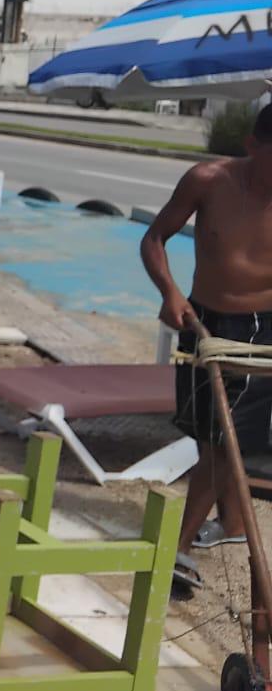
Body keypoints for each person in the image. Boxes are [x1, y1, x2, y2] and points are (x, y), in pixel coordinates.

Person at [141, 105, 272, 581]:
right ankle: (233, 523)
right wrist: (170, 292)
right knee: (205, 431)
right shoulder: (208, 180)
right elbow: (155, 239)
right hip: (202, 318)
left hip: (262, 329)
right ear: (252, 146)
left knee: (223, 442)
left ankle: (176, 552)